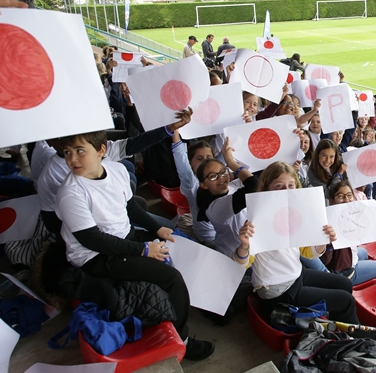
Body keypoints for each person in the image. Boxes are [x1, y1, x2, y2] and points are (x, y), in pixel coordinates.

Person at [54, 130, 214, 361]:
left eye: (80, 151)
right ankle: (183, 339)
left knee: (180, 247)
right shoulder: (70, 192)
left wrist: (157, 229)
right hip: (96, 256)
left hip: (125, 238)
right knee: (172, 278)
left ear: (101, 151)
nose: (72, 160)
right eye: (68, 153)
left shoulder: (117, 170)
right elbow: (92, 239)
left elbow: (130, 207)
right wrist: (144, 250)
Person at [234, 162, 359, 324]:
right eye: (279, 186)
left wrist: (323, 240)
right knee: (346, 301)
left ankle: (338, 327)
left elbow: (307, 252)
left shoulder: (294, 214)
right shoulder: (256, 220)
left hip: (297, 274)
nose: (286, 191)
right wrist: (244, 246)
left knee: (344, 283)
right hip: (277, 289)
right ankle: (356, 341)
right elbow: (240, 264)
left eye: (291, 186)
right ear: (266, 189)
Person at [321, 181, 376, 287]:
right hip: (344, 272)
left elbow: (368, 237)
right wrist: (329, 243)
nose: (346, 199)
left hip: (349, 257)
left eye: (349, 195)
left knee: (363, 252)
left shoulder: (351, 216)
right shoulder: (329, 225)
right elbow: (325, 261)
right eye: (341, 196)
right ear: (332, 201)